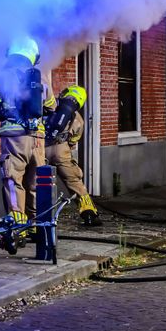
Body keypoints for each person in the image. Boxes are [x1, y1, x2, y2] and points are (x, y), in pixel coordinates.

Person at [0, 37, 56, 228]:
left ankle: (18, 228)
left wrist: (3, 110)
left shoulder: (2, 77)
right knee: (36, 184)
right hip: (37, 140)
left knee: (13, 182)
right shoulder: (42, 79)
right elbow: (52, 108)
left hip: (15, 139)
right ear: (33, 56)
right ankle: (38, 229)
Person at [45, 85, 101, 226]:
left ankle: (34, 219)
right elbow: (73, 140)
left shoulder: (50, 106)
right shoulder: (78, 119)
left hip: (41, 148)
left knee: (35, 182)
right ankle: (89, 213)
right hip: (62, 149)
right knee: (75, 182)